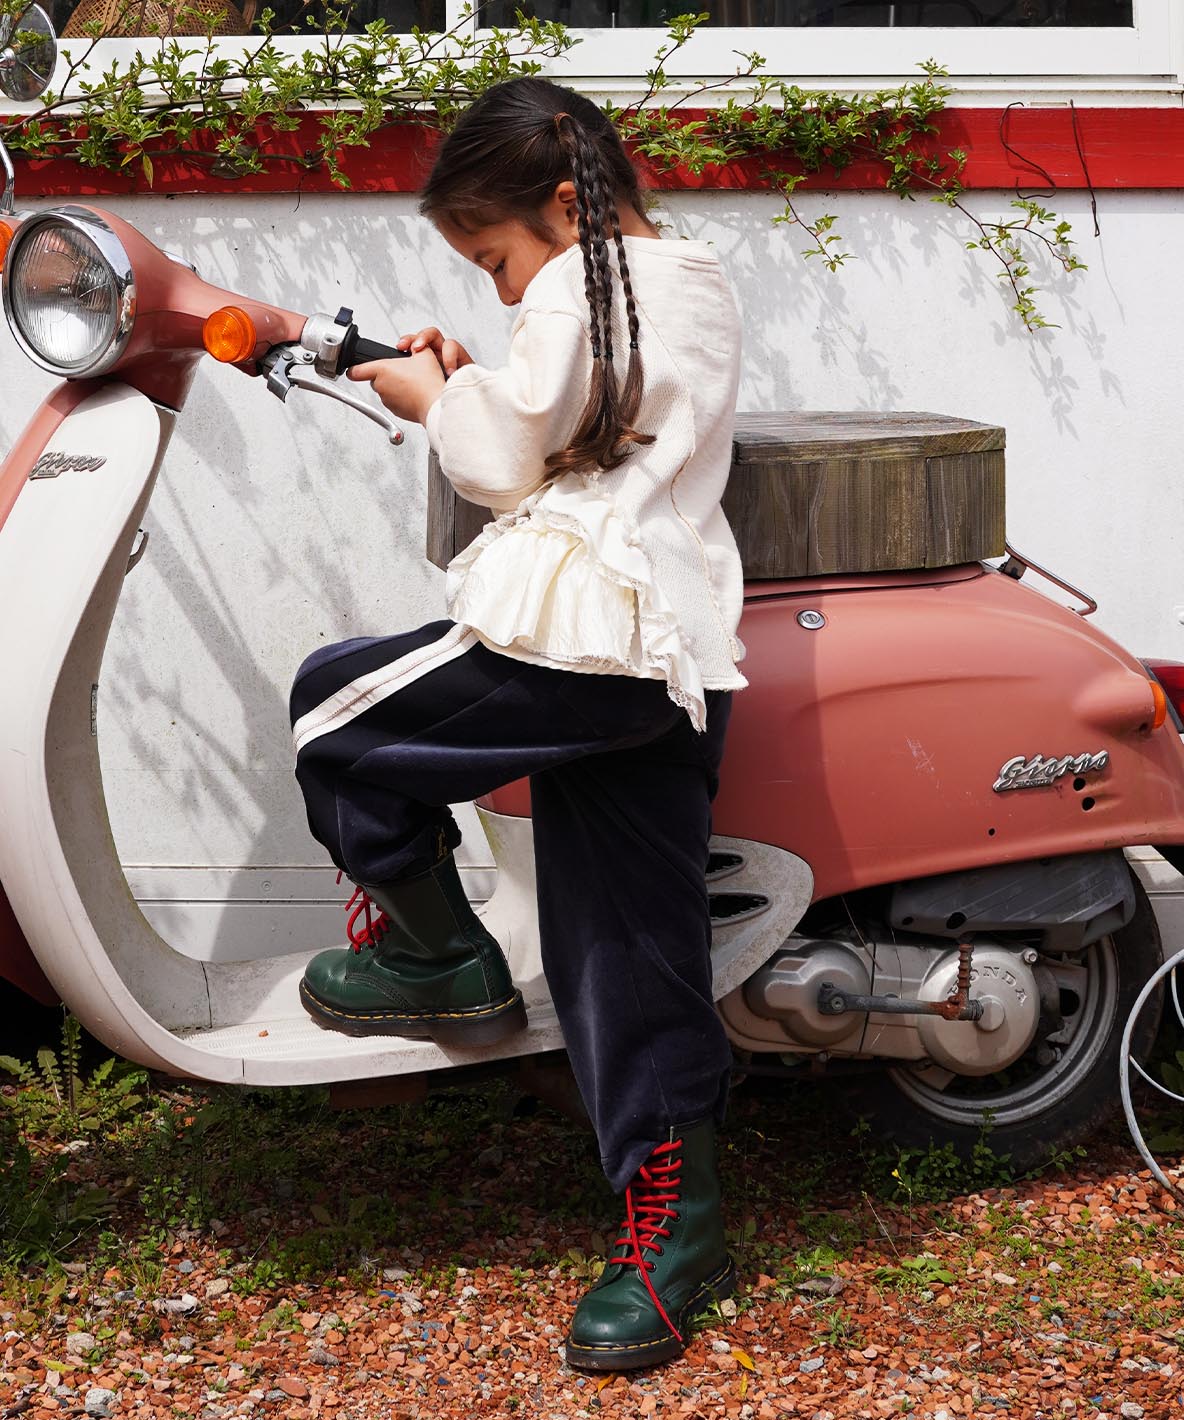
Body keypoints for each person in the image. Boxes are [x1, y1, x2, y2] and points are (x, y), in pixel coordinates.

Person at [288, 75, 747, 1370]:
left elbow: (501, 462)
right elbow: (579, 428)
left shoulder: (581, 287)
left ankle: (439, 957)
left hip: (579, 641)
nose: (499, 290)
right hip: (672, 661)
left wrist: (431, 396)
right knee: (630, 944)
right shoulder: (683, 280)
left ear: (562, 204)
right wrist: (479, 380)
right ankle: (678, 1233)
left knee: (331, 710)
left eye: (494, 259)